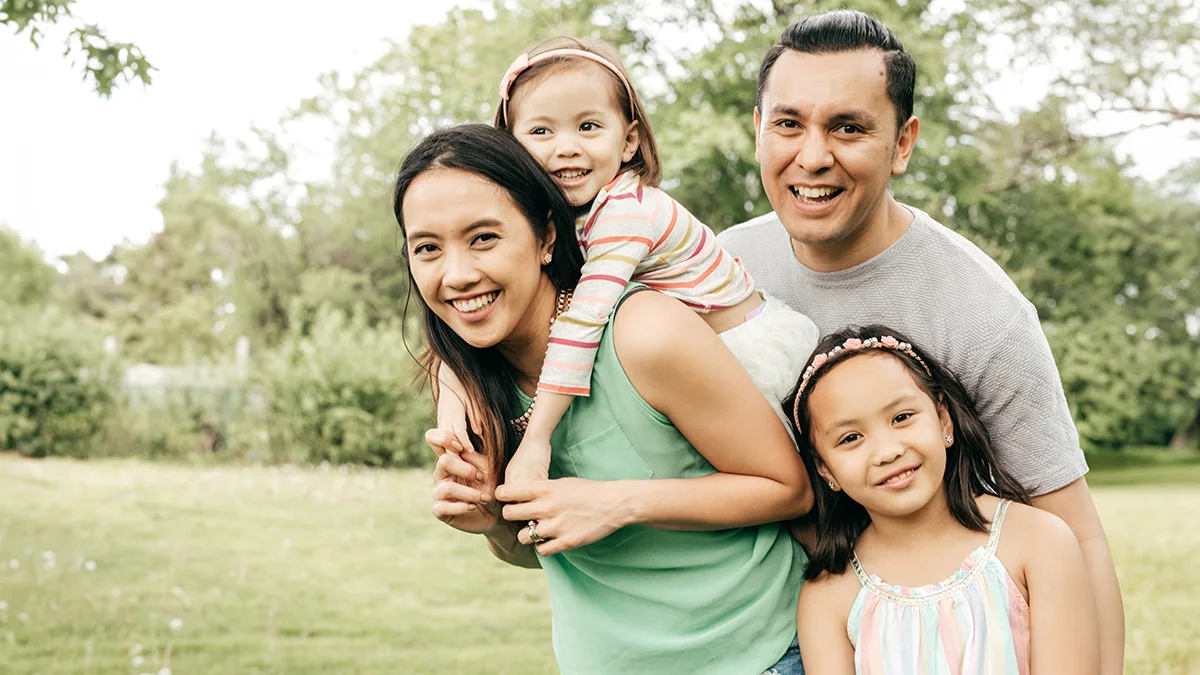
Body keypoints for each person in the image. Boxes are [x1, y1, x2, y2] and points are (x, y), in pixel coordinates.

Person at [717, 10, 1124, 669]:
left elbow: (1077, 535)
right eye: (789, 124)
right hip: (766, 626)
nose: (812, 156)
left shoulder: (983, 314)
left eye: (848, 128)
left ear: (903, 143)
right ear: (758, 129)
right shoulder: (717, 275)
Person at [396, 123, 812, 674]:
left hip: (756, 657)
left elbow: (788, 489)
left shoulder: (643, 334)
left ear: (546, 238)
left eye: (484, 238)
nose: (457, 275)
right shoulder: (474, 379)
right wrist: (493, 521)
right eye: (428, 248)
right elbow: (547, 549)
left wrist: (617, 502)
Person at [435, 37, 819, 487]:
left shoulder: (626, 213)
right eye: (541, 132)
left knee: (795, 485)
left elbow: (584, 320)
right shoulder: (567, 218)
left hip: (745, 353)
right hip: (679, 359)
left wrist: (537, 438)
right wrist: (452, 377)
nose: (566, 148)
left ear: (628, 141)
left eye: (588, 127)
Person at [787, 325, 1099, 673]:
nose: (888, 452)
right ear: (825, 469)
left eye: (902, 418)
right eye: (851, 438)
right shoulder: (828, 598)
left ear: (943, 420)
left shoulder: (1039, 541)